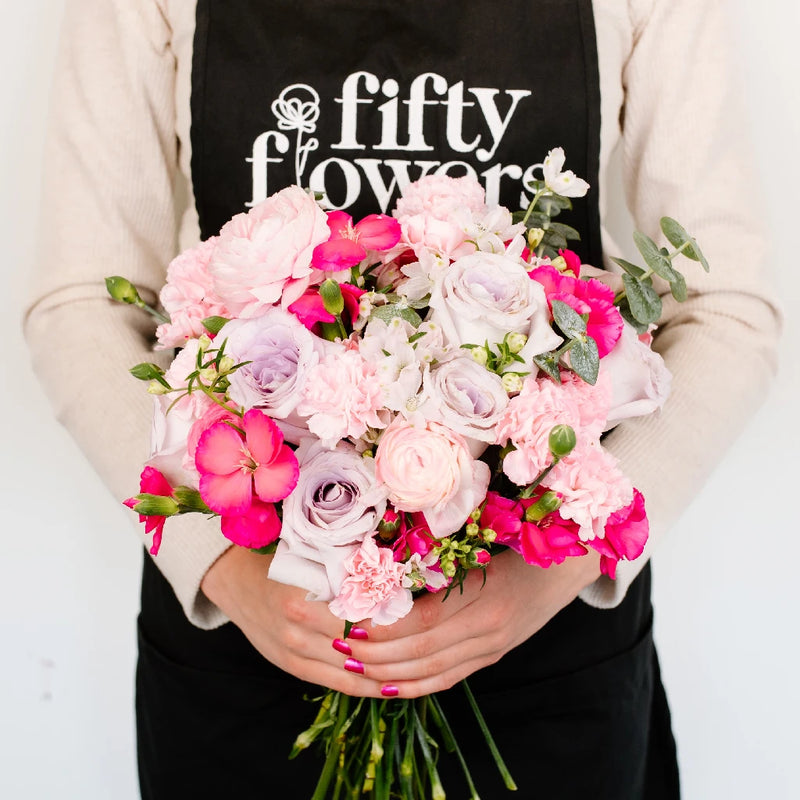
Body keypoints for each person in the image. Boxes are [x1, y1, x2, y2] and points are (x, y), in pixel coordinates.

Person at [25, 0, 781, 797]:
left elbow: (727, 306)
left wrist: (561, 569)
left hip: (548, 641)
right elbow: (82, 301)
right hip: (252, 635)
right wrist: (218, 566)